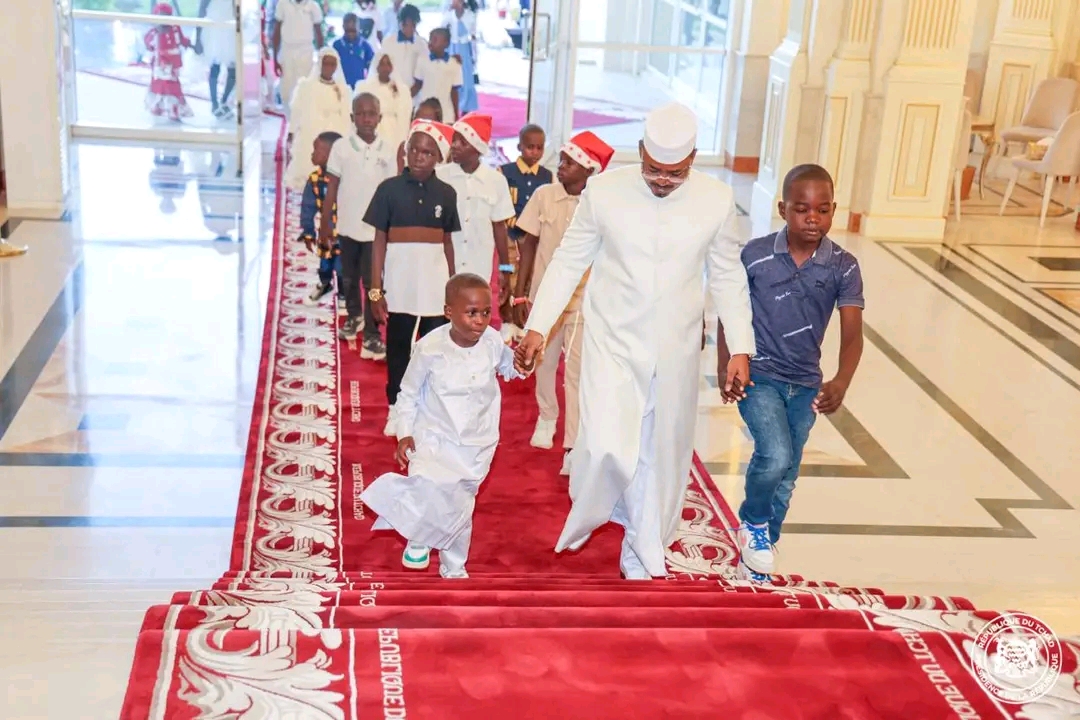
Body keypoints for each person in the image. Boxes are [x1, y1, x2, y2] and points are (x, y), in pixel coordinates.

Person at [514, 102, 755, 580]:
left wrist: (741, 348)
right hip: (613, 339)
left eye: (674, 173)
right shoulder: (604, 192)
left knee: (660, 453)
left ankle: (641, 548)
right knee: (605, 445)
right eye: (653, 170)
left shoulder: (717, 200)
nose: (662, 180)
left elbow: (728, 275)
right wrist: (538, 325)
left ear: (693, 160)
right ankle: (595, 511)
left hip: (676, 348)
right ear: (640, 151)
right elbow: (568, 259)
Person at [720, 164, 864, 583]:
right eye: (802, 209)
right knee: (775, 453)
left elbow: (853, 334)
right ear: (783, 209)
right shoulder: (756, 254)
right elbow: (731, 312)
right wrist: (726, 362)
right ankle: (753, 523)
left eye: (822, 210)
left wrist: (840, 380)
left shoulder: (843, 266)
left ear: (834, 210)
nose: (812, 219)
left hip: (804, 383)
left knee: (788, 470)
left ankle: (764, 542)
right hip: (758, 375)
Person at [360, 273, 523, 578]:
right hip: (433, 437)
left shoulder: (492, 341)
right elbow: (407, 393)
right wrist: (404, 432)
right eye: (471, 312)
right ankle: (419, 536)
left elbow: (509, 367)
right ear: (449, 312)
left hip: (476, 443)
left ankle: (454, 566)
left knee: (460, 506)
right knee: (428, 486)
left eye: (486, 312)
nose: (480, 320)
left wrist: (522, 362)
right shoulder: (430, 348)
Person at [513, 131, 613, 475]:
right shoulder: (544, 195)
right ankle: (546, 417)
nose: (561, 166)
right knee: (543, 361)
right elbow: (527, 245)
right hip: (548, 300)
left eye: (570, 163)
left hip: (585, 302)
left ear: (589, 171)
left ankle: (572, 443)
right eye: (563, 159)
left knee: (577, 372)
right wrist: (520, 291)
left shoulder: (601, 205)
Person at [364, 120, 461, 436]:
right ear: (405, 152)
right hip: (401, 287)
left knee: (433, 349)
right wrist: (376, 290)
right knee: (398, 349)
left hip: (434, 289)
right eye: (415, 150)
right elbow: (379, 241)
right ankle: (396, 408)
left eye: (428, 152)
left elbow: (447, 242)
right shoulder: (388, 190)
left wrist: (452, 286)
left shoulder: (446, 194)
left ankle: (427, 409)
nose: (420, 157)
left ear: (438, 158)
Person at [321, 92, 397, 358]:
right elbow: (332, 187)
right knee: (349, 277)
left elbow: (391, 191)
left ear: (379, 117)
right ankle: (354, 317)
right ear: (352, 117)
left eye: (371, 113)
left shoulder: (388, 150)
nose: (366, 118)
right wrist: (326, 224)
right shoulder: (341, 148)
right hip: (348, 227)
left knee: (373, 281)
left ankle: (373, 336)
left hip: (375, 232)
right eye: (361, 113)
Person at [437, 113, 514, 310]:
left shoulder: (496, 181)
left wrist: (505, 269)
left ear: (476, 148)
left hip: (479, 265)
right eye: (454, 140)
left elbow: (499, 227)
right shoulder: (440, 176)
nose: (453, 145)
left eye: (461, 142)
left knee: (473, 317)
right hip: (443, 263)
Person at [499, 123, 551, 341]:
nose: (535, 152)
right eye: (530, 147)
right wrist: (515, 224)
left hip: (532, 239)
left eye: (539, 148)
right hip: (509, 236)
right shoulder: (506, 172)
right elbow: (501, 204)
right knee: (507, 274)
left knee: (528, 277)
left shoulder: (546, 176)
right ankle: (506, 320)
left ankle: (521, 321)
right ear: (519, 146)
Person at [285, 47, 352, 189]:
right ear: (320, 64)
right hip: (312, 128)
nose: (329, 68)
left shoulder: (342, 89)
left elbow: (347, 114)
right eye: (326, 64)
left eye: (332, 64)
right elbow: (297, 111)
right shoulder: (306, 86)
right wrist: (292, 131)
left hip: (335, 128)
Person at [298, 131, 344, 306]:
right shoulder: (314, 179)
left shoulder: (347, 179)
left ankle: (344, 295)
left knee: (342, 267)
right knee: (325, 264)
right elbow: (307, 207)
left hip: (345, 235)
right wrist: (308, 231)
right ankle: (325, 284)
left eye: (316, 150)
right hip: (326, 233)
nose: (312, 154)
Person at [272, 0, 325, 121]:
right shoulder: (283, 4)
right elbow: (276, 32)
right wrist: (275, 59)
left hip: (306, 52)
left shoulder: (313, 6)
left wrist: (321, 58)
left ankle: (303, 123)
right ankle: (290, 122)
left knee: (305, 88)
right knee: (286, 90)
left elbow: (319, 34)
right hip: (287, 51)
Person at [355, 53, 414, 155]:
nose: (385, 67)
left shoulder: (401, 89)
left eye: (388, 64)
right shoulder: (365, 86)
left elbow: (406, 113)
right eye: (382, 64)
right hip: (373, 128)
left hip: (394, 130)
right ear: (376, 66)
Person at [144, 3, 194, 122]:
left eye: (167, 16)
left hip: (173, 65)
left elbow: (182, 39)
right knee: (161, 87)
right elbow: (149, 44)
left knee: (173, 87)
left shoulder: (175, 28)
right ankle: (162, 109)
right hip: (159, 65)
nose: (164, 19)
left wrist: (191, 45)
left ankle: (172, 110)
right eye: (161, 16)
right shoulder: (154, 32)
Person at [195, 0, 238, 119]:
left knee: (233, 70)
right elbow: (202, 9)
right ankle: (214, 103)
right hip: (214, 30)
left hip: (230, 29)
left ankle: (224, 101)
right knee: (215, 67)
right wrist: (198, 36)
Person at [412, 27, 463, 124]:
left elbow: (454, 91)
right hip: (424, 112)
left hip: (446, 113)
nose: (430, 42)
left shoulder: (454, 63)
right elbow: (417, 85)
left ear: (446, 43)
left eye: (435, 39)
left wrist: (456, 114)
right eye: (430, 39)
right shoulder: (422, 60)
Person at [443, 0, 479, 116]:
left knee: (466, 79)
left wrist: (474, 54)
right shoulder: (448, 13)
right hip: (451, 47)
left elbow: (472, 33)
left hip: (463, 47)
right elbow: (442, 26)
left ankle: (466, 107)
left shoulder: (469, 14)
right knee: (450, 77)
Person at [381, 4, 427, 89]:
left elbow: (424, 71)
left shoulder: (422, 44)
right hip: (391, 89)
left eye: (413, 25)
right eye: (405, 25)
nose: (409, 28)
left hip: (414, 93)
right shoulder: (388, 42)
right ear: (399, 23)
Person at [396, 98, 444, 172]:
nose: (421, 127)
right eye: (417, 121)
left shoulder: (446, 152)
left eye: (426, 123)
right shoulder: (404, 148)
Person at [334, 13, 376, 89]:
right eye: (348, 31)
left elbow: (372, 66)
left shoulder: (365, 45)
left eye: (353, 31)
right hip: (341, 85)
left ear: (358, 27)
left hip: (359, 86)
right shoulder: (337, 45)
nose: (350, 34)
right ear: (343, 27)